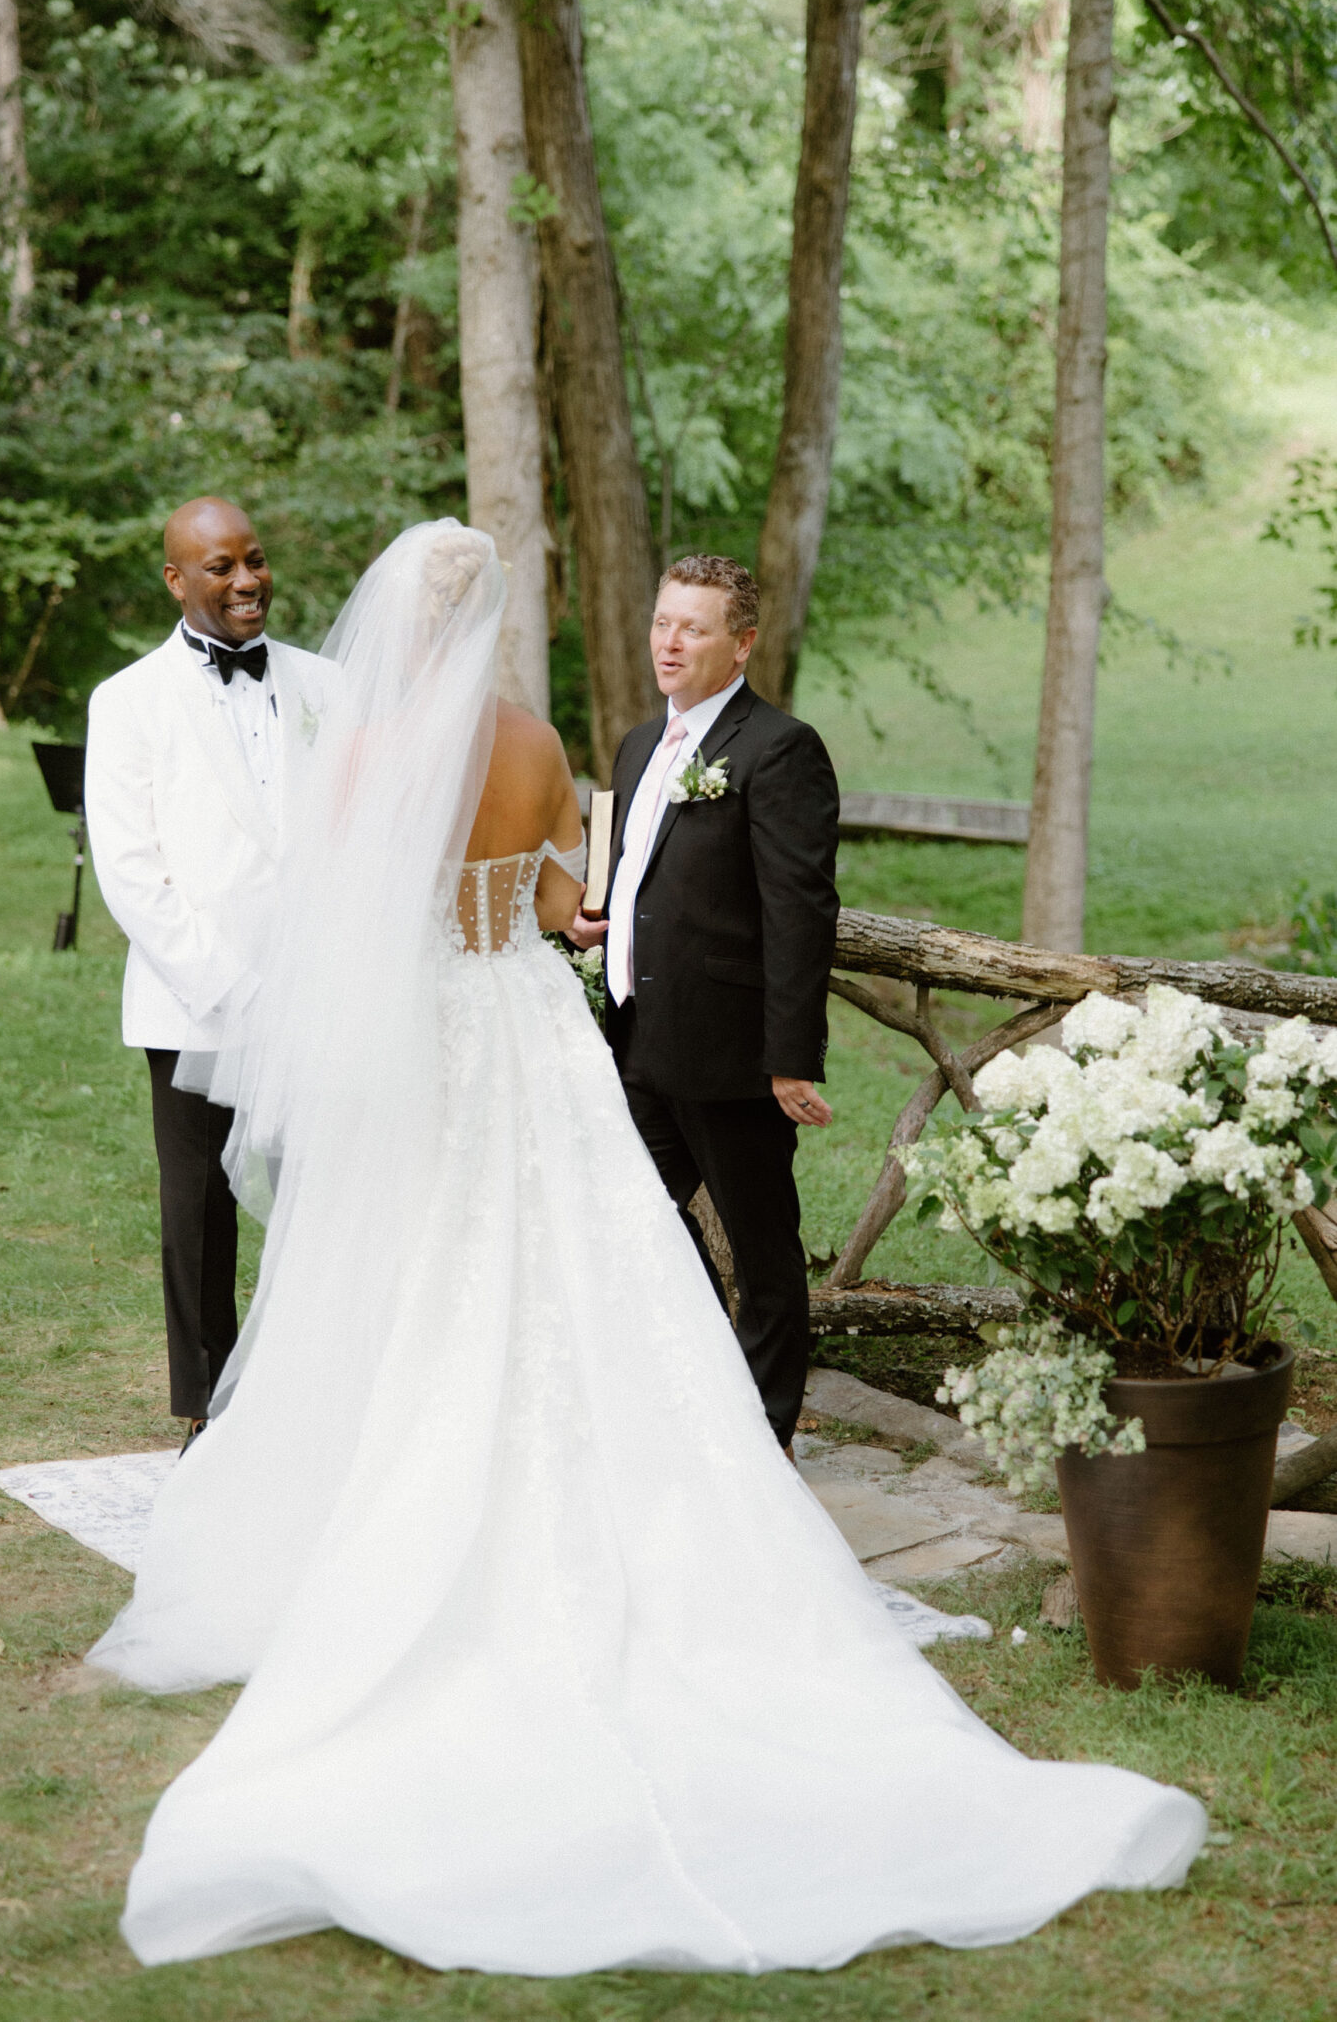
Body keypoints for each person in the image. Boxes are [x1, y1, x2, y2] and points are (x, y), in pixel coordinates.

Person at [87, 521, 1205, 1976]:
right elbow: (562, 905)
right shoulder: (542, 743)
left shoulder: (360, 755)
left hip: (433, 1037)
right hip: (530, 1029)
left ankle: (393, 1496)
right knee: (583, 1264)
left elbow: (351, 919)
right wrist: (551, 907)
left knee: (414, 1281)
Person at [567, 555, 837, 1451]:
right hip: (637, 1037)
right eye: (661, 621)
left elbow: (801, 914)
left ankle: (764, 1438)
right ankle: (686, 1394)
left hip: (729, 1055)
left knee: (763, 1255)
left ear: (742, 643)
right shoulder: (643, 744)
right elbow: (631, 867)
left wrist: (790, 1056)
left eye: (694, 627)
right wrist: (594, 913)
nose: (669, 641)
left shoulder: (779, 748)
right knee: (633, 1222)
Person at [84, 498, 332, 1447]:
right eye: (221, 567)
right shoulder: (128, 701)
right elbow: (131, 872)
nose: (246, 582)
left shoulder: (327, 686)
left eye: (256, 561)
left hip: (316, 998)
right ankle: (206, 1410)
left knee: (315, 1199)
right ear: (176, 580)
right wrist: (232, 986)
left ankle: (304, 1389)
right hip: (196, 1004)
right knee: (199, 1213)